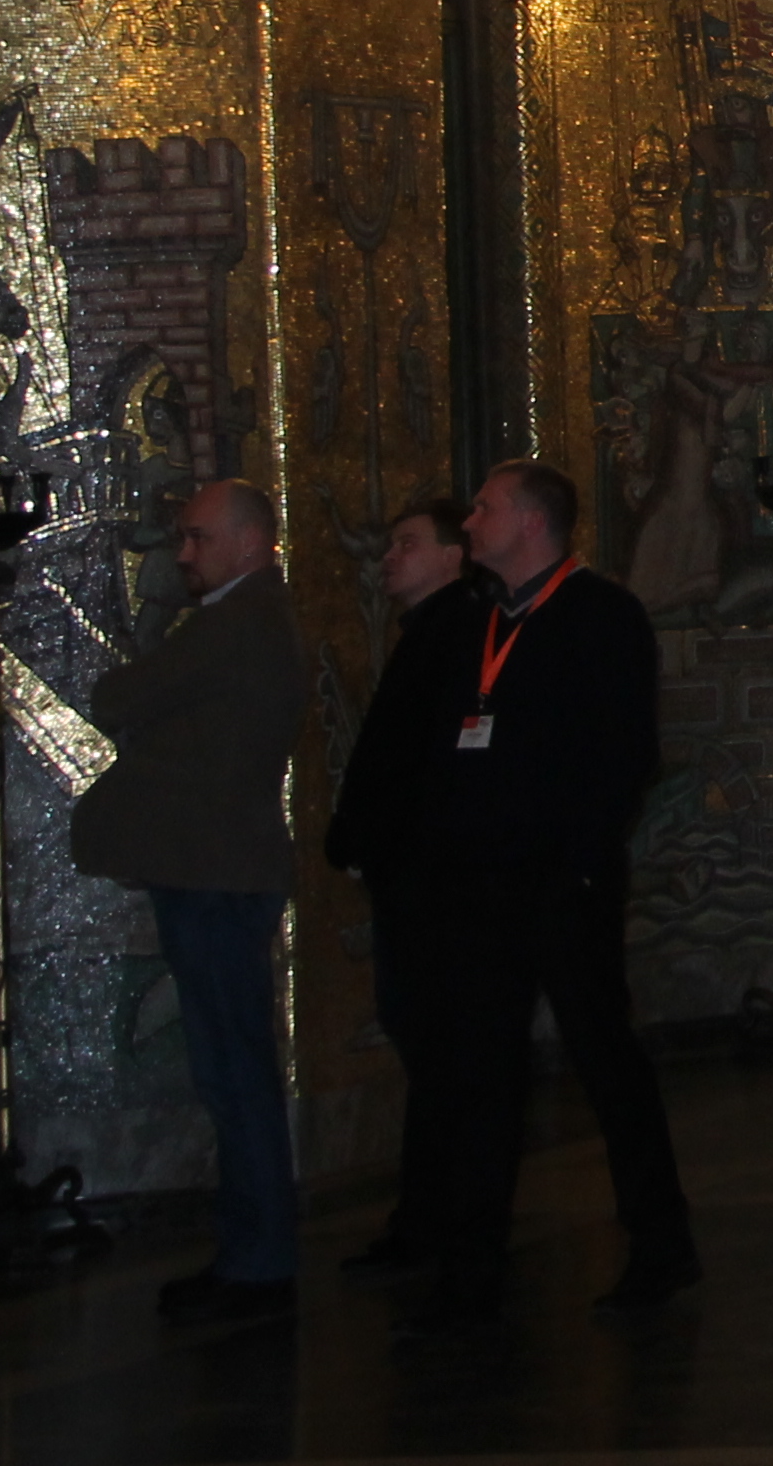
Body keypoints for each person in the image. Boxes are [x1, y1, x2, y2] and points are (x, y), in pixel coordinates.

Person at [329, 458, 694, 1327]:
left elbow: (624, 754)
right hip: (477, 893)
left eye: (485, 509)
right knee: (478, 1074)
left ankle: (660, 1244)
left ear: (532, 523)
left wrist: (577, 859)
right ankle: (472, 1261)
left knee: (604, 1060)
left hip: (561, 886)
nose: (471, 523)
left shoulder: (600, 615)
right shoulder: (476, 623)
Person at [69, 480, 312, 1327]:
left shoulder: (236, 621)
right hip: (217, 872)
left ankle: (258, 1260)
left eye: (198, 537)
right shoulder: (252, 618)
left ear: (249, 542)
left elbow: (120, 697)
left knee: (234, 1076)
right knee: (232, 1070)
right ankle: (252, 1253)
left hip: (216, 878)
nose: (183, 554)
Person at [343, 493, 472, 1276]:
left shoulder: (455, 636)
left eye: (408, 544)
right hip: (412, 875)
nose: (389, 558)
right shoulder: (427, 633)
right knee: (425, 1045)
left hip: (432, 882)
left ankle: (441, 1223)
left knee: (439, 1049)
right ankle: (427, 1217)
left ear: (454, 556)